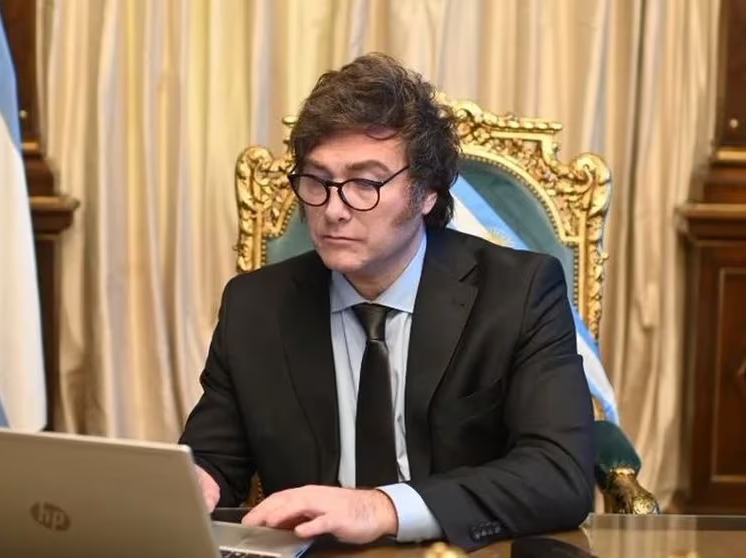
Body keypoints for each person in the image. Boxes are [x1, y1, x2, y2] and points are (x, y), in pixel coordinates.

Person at [178, 52, 594, 551]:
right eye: (317, 180)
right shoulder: (255, 307)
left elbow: (558, 472)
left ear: (427, 193)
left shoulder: (517, 293)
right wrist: (197, 481)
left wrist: (382, 508)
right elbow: (215, 458)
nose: (334, 209)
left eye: (364, 183)